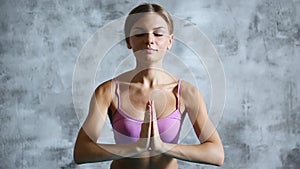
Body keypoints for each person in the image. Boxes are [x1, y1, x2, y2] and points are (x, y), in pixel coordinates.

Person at [73, 3, 224, 169]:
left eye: (158, 34)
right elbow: (81, 152)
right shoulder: (108, 92)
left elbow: (216, 154)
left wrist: (162, 147)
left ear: (170, 41)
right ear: (128, 41)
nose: (149, 40)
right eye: (140, 34)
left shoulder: (186, 93)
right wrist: (135, 148)